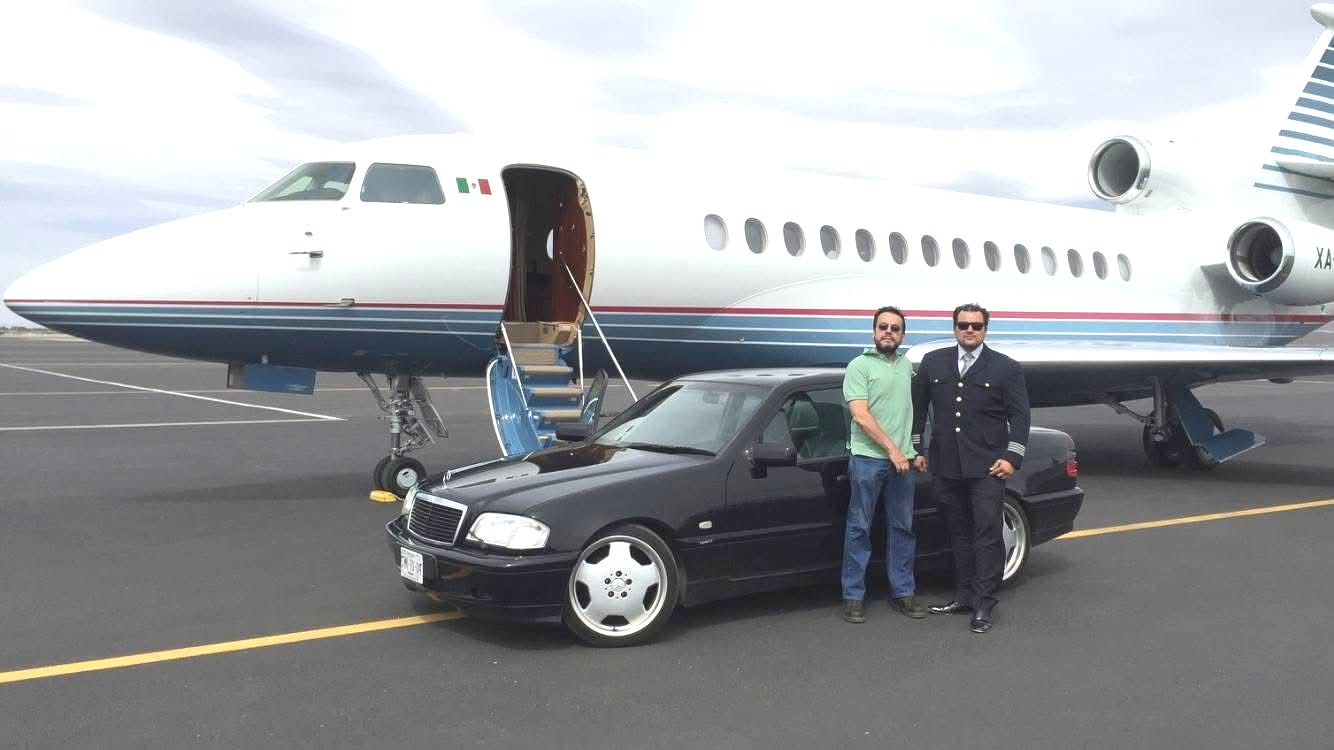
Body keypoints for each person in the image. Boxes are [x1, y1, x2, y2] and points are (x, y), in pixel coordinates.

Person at [911, 303, 1030, 633]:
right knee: (958, 533)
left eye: (976, 326)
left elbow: (1020, 418)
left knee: (987, 534)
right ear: (954, 328)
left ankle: (984, 604)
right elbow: (918, 409)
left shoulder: (1006, 368)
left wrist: (1012, 457)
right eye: (963, 325)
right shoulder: (934, 362)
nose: (969, 330)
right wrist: (916, 448)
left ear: (985, 330)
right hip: (946, 465)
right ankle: (963, 595)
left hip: (987, 468)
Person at [840, 306, 926, 624]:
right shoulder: (858, 366)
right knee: (859, 528)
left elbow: (907, 413)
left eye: (895, 328)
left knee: (902, 529)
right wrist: (893, 450)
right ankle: (853, 596)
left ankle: (903, 592)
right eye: (883, 327)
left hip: (902, 462)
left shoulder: (905, 367)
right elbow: (860, 416)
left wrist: (913, 449)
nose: (889, 332)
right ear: (874, 331)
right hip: (867, 460)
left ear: (903, 335)